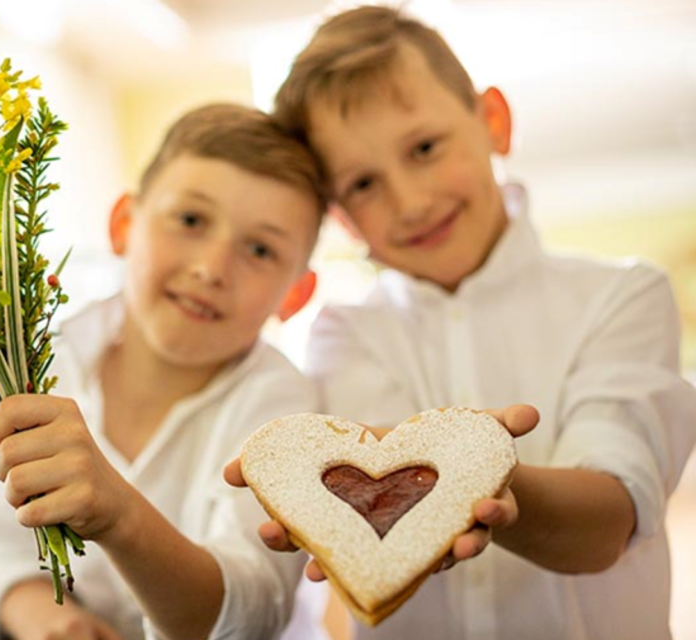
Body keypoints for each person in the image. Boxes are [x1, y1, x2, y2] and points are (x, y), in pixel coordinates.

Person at [228, 5, 696, 640]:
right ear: (342, 219)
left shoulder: (622, 295)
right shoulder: (344, 332)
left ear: (493, 123)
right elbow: (363, 523)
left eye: (424, 148)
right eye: (363, 184)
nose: (411, 202)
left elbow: (609, 521)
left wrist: (478, 470)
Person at [0, 103, 327, 640]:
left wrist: (120, 514)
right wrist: (54, 622)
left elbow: (250, 610)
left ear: (294, 295)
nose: (211, 268)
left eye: (259, 249)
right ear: (124, 226)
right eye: (190, 220)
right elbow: (3, 552)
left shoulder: (284, 410)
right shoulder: (45, 363)